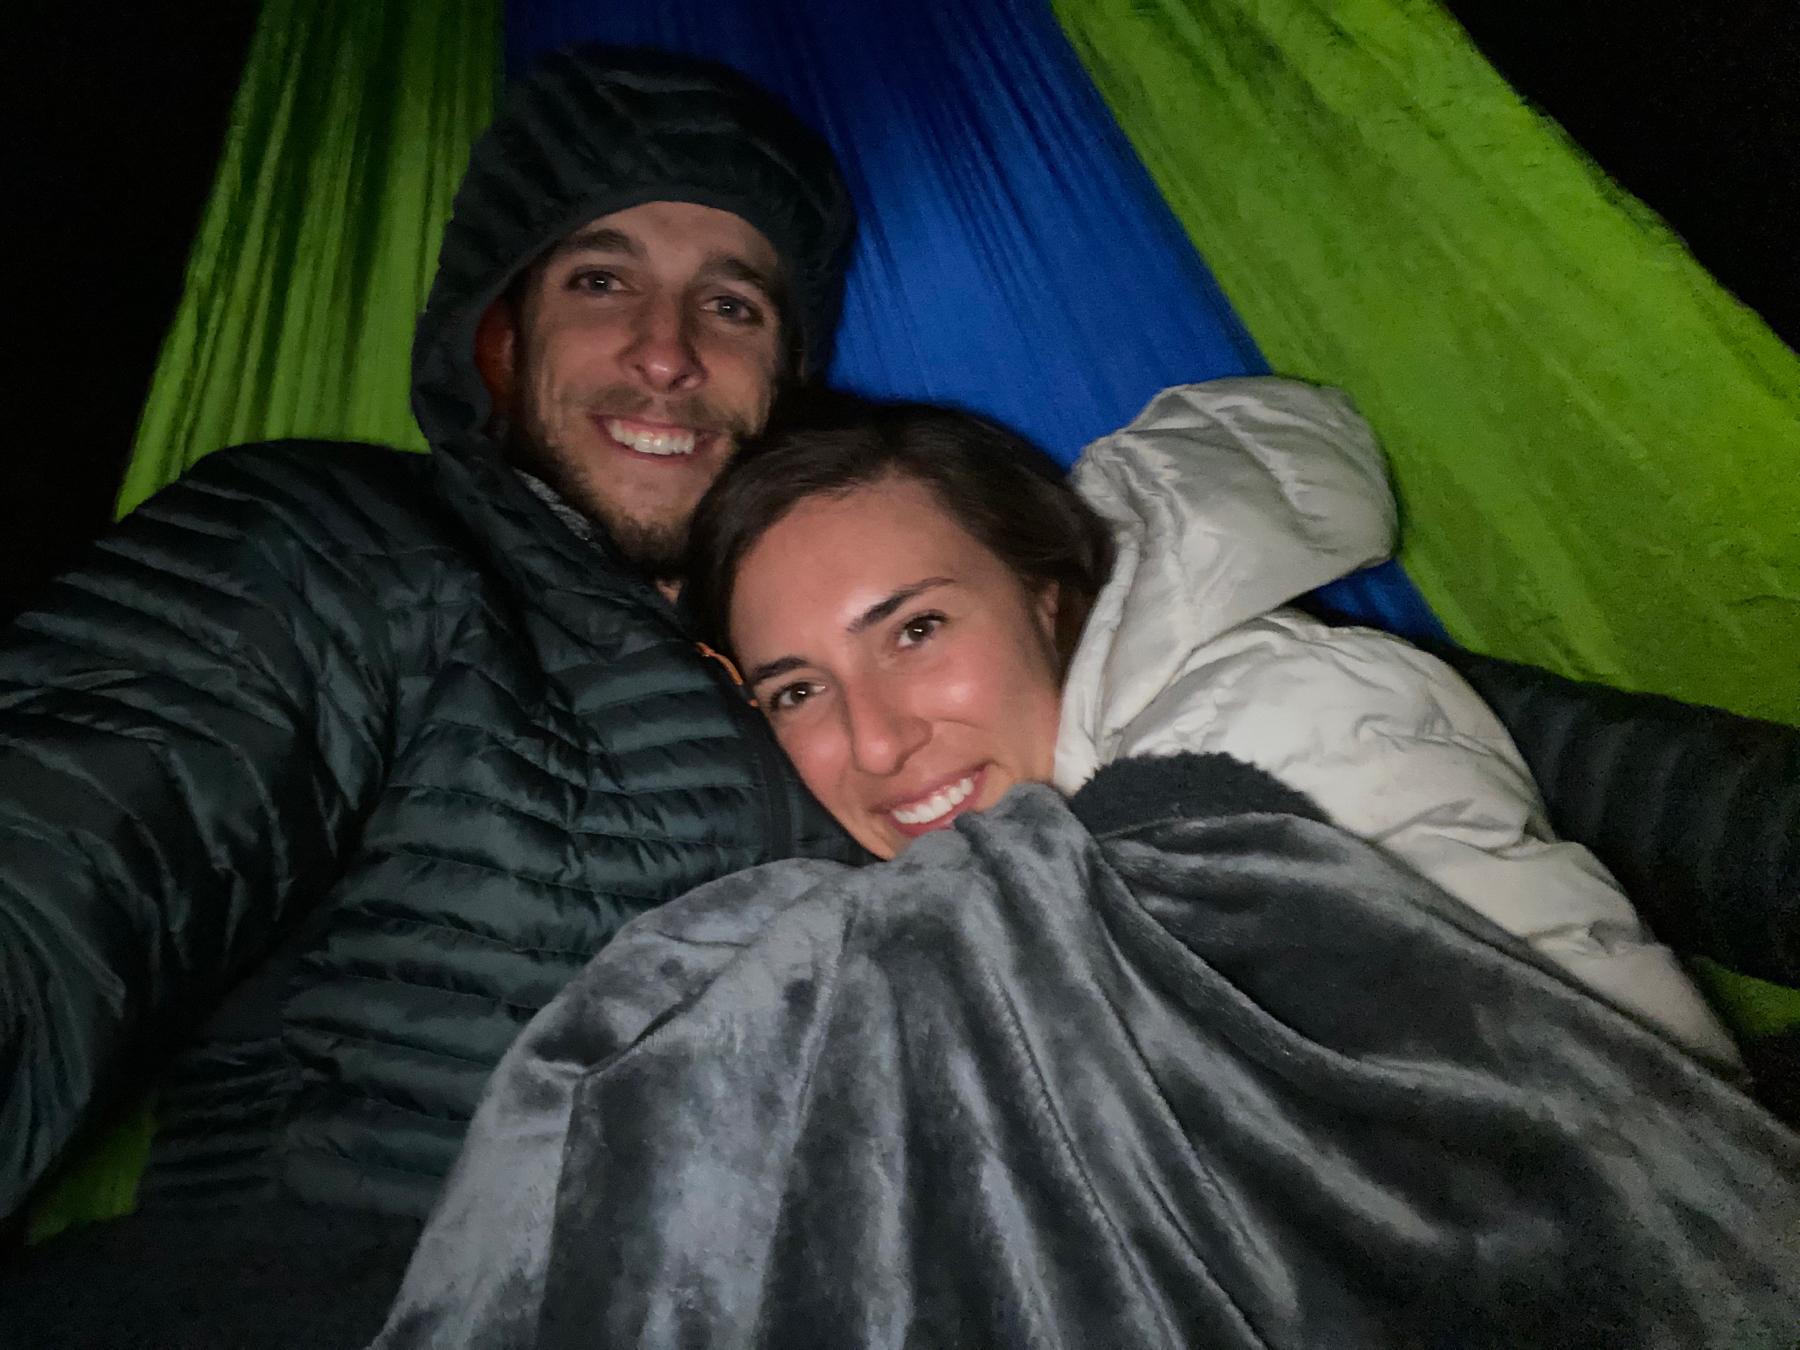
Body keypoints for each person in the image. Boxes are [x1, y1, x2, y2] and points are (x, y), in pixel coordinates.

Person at [371, 388, 1799, 1347]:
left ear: (1050, 598)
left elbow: (1573, 1164)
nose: (873, 740)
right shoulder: (995, 841)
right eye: (798, 689)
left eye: (916, 629)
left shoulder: (1269, 722)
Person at [0, 43, 856, 1343]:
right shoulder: (352, 551)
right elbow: (73, 856)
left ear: (789, 378)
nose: (668, 351)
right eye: (602, 277)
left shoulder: (847, 683)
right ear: (499, 339)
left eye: (733, 304)